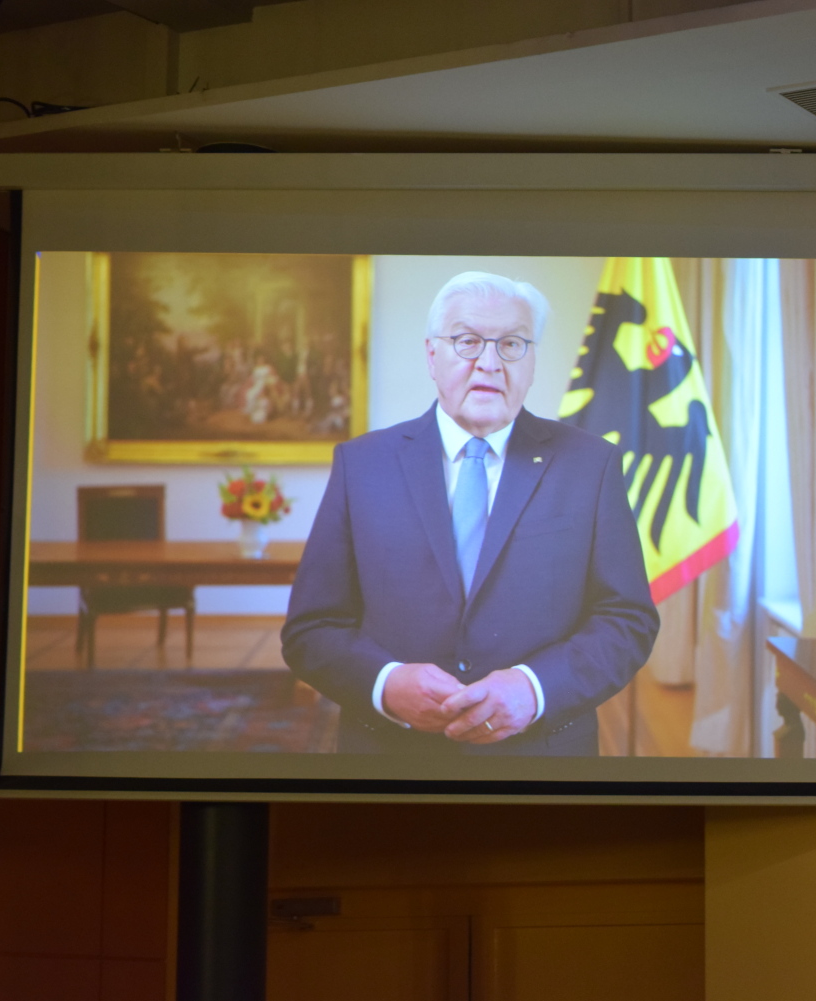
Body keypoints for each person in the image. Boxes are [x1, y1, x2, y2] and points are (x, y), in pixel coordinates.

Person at [281, 272, 659, 755]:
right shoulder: (361, 465)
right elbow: (310, 628)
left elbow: (627, 619)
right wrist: (385, 683)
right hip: (389, 761)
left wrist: (534, 689)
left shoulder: (591, 465)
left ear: (532, 361)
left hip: (542, 760)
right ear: (432, 354)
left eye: (512, 344)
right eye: (467, 341)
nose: (490, 363)